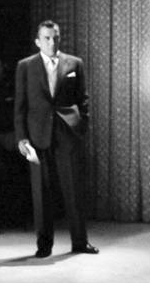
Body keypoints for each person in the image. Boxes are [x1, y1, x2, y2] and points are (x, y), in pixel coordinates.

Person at [14, 20, 98, 257]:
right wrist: (22, 138)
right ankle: (44, 245)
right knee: (42, 193)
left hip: (67, 135)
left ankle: (80, 242)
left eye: (55, 37)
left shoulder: (74, 64)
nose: (52, 42)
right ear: (38, 41)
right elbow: (20, 106)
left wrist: (81, 126)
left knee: (74, 190)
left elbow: (84, 99)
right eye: (47, 38)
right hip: (38, 136)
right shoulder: (25, 66)